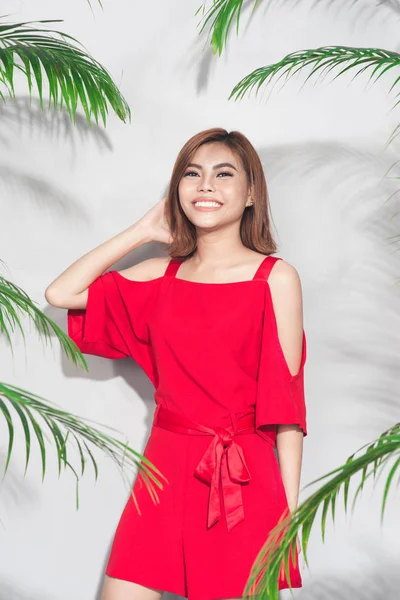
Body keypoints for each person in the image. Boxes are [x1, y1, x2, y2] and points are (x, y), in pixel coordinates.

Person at [45, 128, 307, 600]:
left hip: (244, 479)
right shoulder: (160, 275)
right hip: (164, 468)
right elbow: (61, 294)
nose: (205, 185)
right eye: (193, 174)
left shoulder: (276, 279)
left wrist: (288, 515)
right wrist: (143, 231)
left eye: (223, 174)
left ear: (250, 193)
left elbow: (286, 407)